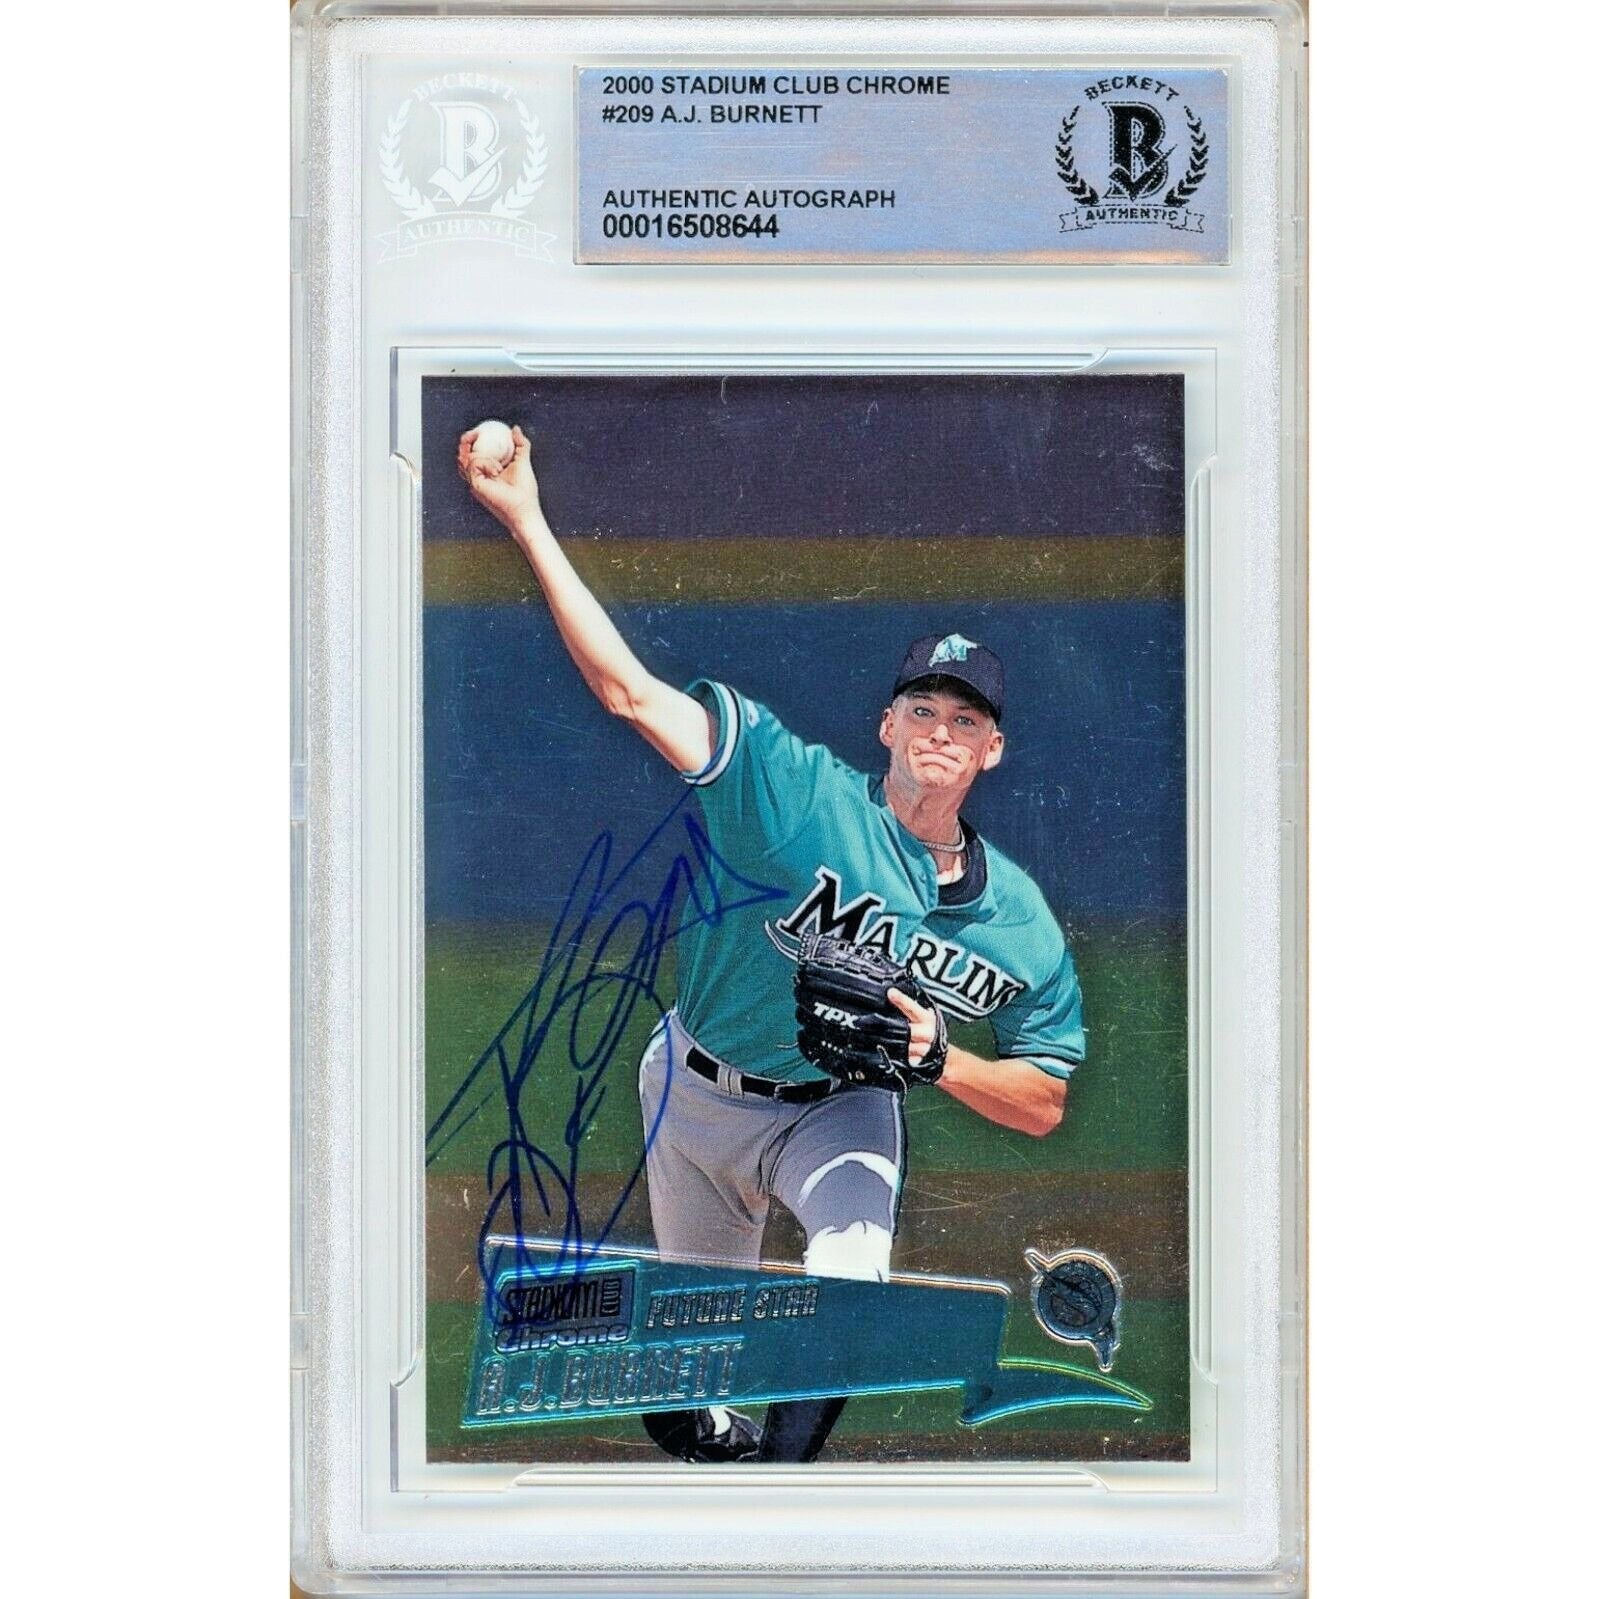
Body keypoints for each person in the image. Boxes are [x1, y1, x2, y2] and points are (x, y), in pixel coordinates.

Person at [459, 424, 1086, 1463]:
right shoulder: (786, 788)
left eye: (967, 719)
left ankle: (779, 1498)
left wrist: (941, 1059)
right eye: (923, 707)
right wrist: (524, 515)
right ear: (887, 726)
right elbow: (628, 691)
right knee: (693, 1392)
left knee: (847, 1298)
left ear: (993, 750)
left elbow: (1044, 1098)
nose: (942, 728)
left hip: (841, 1109)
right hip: (695, 1094)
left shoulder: (1015, 919)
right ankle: (707, 1432)